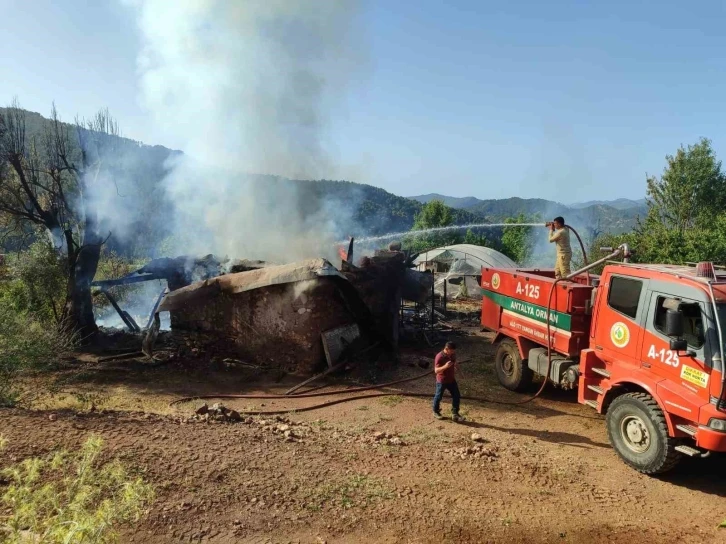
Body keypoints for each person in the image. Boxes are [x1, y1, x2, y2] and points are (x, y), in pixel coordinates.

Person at [432, 341, 463, 422]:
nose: (453, 353)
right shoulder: (439, 357)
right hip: (442, 380)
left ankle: (455, 413)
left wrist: (459, 371)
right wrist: (445, 366)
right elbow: (436, 370)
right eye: (451, 351)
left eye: (454, 351)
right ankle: (435, 411)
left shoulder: (452, 355)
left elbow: (455, 363)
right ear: (446, 349)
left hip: (451, 380)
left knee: (457, 395)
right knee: (438, 396)